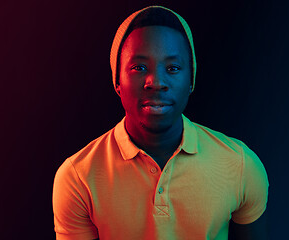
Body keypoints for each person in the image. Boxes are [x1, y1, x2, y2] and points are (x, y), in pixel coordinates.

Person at [52, 5, 269, 240]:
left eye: (173, 68)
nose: (156, 82)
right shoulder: (77, 177)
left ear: (191, 81)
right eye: (139, 67)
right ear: (117, 81)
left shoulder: (241, 165)